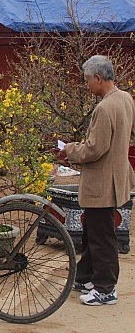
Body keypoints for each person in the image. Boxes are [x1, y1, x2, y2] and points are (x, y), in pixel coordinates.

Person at [59, 55, 135, 306]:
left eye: (87, 80)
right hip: (116, 177)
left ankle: (106, 289)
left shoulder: (104, 108)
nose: (86, 85)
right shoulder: (125, 98)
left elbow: (94, 149)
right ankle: (86, 276)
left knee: (102, 236)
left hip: (102, 183)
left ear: (99, 78)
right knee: (94, 231)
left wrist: (69, 149)